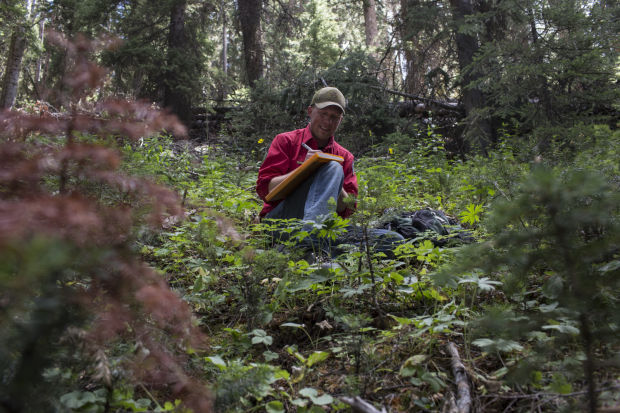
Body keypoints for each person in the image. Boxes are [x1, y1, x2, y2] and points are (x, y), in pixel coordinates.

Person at [256, 86, 403, 257]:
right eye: (323, 114)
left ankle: (305, 251)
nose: (327, 122)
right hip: (281, 222)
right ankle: (312, 245)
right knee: (332, 167)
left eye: (334, 117)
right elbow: (266, 190)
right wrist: (306, 168)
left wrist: (333, 178)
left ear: (340, 120)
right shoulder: (286, 141)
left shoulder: (344, 156)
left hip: (328, 228)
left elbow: (347, 209)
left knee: (394, 241)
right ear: (310, 111)